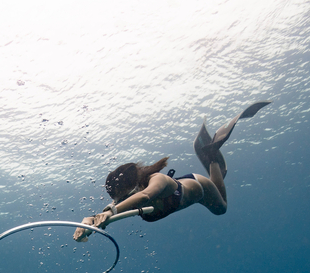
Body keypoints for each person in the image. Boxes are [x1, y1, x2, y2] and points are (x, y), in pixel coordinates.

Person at [74, 102, 270, 241]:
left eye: (123, 198)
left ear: (134, 185)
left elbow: (144, 196)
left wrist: (110, 211)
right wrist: (90, 223)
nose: (120, 203)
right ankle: (214, 162)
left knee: (221, 209)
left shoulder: (157, 180)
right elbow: (109, 214)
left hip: (199, 186)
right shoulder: (122, 201)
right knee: (220, 189)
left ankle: (212, 156)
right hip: (184, 189)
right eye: (118, 200)